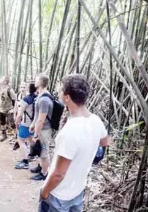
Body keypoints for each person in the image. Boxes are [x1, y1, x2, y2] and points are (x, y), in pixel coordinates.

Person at [39, 74, 112, 212]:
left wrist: (44, 192)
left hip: (59, 196)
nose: (58, 93)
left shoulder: (70, 132)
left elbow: (58, 174)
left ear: (67, 97)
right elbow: (105, 142)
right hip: (78, 191)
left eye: (60, 90)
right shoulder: (96, 121)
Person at [30, 73, 53, 181]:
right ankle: (40, 168)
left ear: (40, 83)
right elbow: (37, 115)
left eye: (36, 79)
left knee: (44, 152)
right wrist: (33, 124)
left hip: (44, 130)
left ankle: (44, 173)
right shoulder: (41, 96)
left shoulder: (44, 99)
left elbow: (41, 119)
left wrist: (36, 134)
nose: (35, 81)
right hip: (40, 128)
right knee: (40, 150)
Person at [15, 82, 37, 169]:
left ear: (28, 89)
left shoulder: (25, 99)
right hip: (35, 123)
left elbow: (20, 114)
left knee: (21, 140)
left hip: (26, 123)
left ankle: (25, 161)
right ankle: (32, 155)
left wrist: (16, 122)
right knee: (31, 139)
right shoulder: (38, 98)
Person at [0, 76, 17, 142]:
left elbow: (15, 100)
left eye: (2, 79)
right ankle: (4, 136)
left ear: (5, 81)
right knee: (2, 123)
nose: (0, 79)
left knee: (12, 124)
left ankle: (16, 136)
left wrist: (13, 109)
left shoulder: (10, 90)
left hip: (8, 110)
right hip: (0, 109)